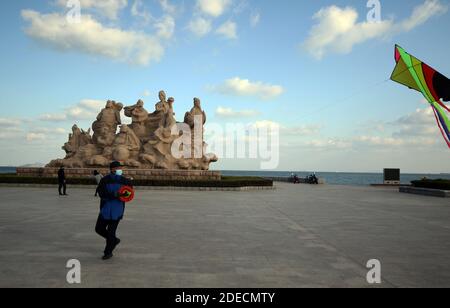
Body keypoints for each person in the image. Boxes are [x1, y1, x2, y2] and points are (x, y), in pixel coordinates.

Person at [95, 161, 132, 260]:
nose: (120, 170)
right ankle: (114, 240)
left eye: (120, 168)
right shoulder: (104, 180)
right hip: (105, 210)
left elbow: (129, 193)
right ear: (112, 169)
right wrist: (115, 194)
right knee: (98, 229)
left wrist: (126, 191)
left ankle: (108, 252)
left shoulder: (125, 180)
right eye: (118, 168)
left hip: (117, 210)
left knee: (111, 232)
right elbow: (101, 193)